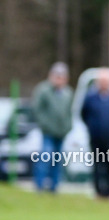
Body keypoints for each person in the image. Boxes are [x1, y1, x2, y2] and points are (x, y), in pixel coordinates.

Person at [80, 68, 109, 200]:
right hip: (95, 137)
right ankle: (98, 191)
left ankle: (108, 192)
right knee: (97, 165)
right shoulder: (91, 98)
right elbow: (84, 114)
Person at [32, 62, 74, 193]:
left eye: (62, 76)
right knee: (46, 157)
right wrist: (45, 125)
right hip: (48, 132)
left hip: (61, 133)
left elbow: (68, 113)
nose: (59, 79)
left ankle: (54, 187)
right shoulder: (43, 90)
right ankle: (39, 185)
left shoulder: (68, 93)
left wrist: (68, 127)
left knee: (58, 160)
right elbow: (37, 110)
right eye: (57, 76)